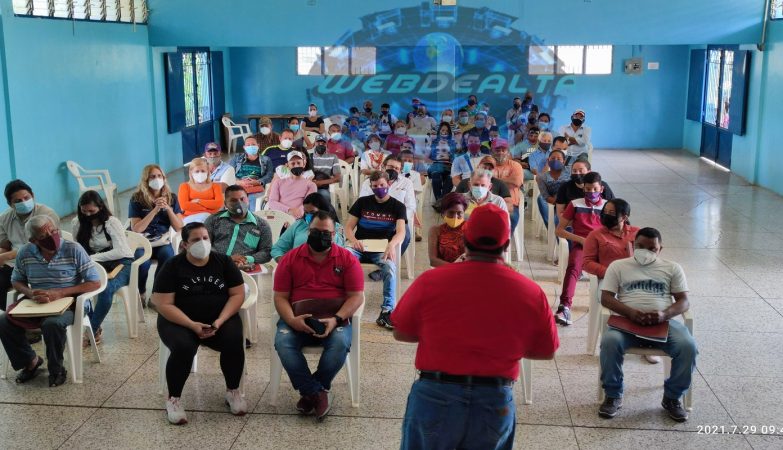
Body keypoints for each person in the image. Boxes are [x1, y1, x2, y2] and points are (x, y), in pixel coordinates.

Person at [393, 204, 559, 450]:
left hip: (435, 395)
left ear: (465, 240)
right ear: (506, 245)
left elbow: (401, 332)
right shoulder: (530, 292)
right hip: (494, 399)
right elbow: (546, 351)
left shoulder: (431, 281)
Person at [599, 227, 697, 422]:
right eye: (640, 246)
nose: (645, 252)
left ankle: (672, 398)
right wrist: (630, 312)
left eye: (652, 248)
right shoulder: (618, 266)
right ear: (633, 245)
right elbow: (606, 298)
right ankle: (613, 394)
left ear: (660, 249)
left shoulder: (672, 268)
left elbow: (684, 301)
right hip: (626, 323)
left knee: (688, 347)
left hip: (662, 323)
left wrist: (664, 314)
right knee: (609, 342)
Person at [272, 211, 364, 421]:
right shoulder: (290, 259)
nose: (320, 236)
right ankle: (317, 393)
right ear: (308, 231)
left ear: (334, 234)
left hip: (334, 318)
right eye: (315, 231)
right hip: (296, 317)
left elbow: (356, 296)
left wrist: (336, 319)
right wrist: (292, 320)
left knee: (340, 343)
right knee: (283, 343)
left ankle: (311, 393)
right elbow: (280, 297)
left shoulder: (347, 259)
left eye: (326, 233)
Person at [153, 222, 247, 424]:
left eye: (205, 238)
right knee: (184, 347)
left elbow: (238, 294)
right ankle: (173, 399)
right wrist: (191, 325)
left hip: (218, 318)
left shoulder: (223, 262)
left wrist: (220, 320)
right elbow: (163, 303)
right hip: (179, 320)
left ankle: (233, 391)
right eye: (196, 239)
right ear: (185, 244)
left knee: (234, 339)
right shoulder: (172, 266)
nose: (202, 243)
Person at [0, 215, 100, 387]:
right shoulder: (25, 252)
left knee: (52, 324)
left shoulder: (73, 249)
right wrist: (30, 292)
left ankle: (57, 369)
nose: (51, 237)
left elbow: (94, 282)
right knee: (3, 321)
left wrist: (60, 293)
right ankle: (30, 361)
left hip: (70, 304)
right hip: (37, 303)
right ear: (33, 240)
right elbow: (16, 281)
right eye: (43, 236)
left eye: (53, 231)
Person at [345, 171, 406, 330]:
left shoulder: (398, 206)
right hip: (360, 246)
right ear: (371, 187)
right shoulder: (362, 202)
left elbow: (401, 232)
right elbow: (348, 227)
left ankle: (387, 310)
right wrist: (353, 241)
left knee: (390, 267)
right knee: (342, 259)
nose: (379, 188)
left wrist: (392, 244)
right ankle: (342, 303)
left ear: (388, 184)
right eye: (375, 186)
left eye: (382, 185)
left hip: (381, 249)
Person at [72, 190, 134, 344]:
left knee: (106, 289)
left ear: (100, 207)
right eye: (84, 211)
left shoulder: (111, 222)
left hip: (121, 262)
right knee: (78, 287)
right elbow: (78, 248)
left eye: (91, 211)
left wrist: (91, 258)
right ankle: (95, 325)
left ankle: (91, 331)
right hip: (95, 262)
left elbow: (121, 251)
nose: (87, 215)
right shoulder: (77, 223)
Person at [555, 172, 607, 326]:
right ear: (583, 188)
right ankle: (564, 307)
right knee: (573, 267)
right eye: (588, 189)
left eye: (595, 189)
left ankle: (610, 305)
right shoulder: (575, 204)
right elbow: (559, 230)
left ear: (601, 189)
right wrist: (581, 240)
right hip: (582, 245)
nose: (591, 192)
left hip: (604, 247)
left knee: (612, 270)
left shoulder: (608, 206)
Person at [0, 180, 60, 310]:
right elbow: (5, 246)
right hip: (14, 265)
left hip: (40, 262)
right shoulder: (4, 218)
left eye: (26, 198)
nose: (23, 202)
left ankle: (26, 314)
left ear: (33, 195)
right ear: (10, 204)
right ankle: (12, 314)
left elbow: (46, 245)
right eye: (18, 201)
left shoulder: (46, 214)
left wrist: (6, 256)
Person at [129, 164, 184, 306]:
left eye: (159, 176)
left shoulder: (171, 198)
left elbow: (179, 227)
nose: (157, 179)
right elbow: (137, 229)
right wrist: (154, 210)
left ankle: (156, 294)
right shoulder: (136, 199)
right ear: (146, 180)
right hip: (142, 242)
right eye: (152, 177)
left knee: (168, 258)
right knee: (143, 263)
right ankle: (141, 291)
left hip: (161, 242)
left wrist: (168, 209)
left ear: (164, 179)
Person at [204, 185, 272, 269]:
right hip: (216, 265)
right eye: (233, 200)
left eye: (242, 199)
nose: (239, 203)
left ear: (248, 200)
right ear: (225, 204)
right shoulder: (213, 220)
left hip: (245, 268)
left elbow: (267, 252)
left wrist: (246, 259)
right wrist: (225, 259)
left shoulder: (261, 225)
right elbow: (204, 244)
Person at [359, 156, 417, 255]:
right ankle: (374, 256)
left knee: (405, 237)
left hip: (398, 219)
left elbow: (411, 207)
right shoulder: (369, 182)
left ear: (400, 170)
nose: (393, 170)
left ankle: (390, 258)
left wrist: (399, 218)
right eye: (390, 167)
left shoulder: (406, 183)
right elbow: (362, 203)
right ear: (383, 166)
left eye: (396, 168)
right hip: (373, 217)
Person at [271, 193, 344, 261]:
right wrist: (286, 263)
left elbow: (339, 253)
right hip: (299, 267)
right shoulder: (299, 225)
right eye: (306, 212)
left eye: (313, 212)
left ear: (323, 211)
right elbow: (277, 249)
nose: (308, 216)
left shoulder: (335, 228)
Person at [266, 151, 317, 219]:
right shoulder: (278, 182)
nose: (296, 166)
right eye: (293, 163)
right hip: (279, 217)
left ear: (304, 164)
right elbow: (272, 202)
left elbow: (308, 204)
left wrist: (295, 216)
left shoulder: (311, 185)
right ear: (287, 165)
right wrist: (289, 211)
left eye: (298, 163)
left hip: (299, 219)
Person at [491, 138, 524, 233]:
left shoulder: (515, 165)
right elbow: (480, 181)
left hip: (510, 203)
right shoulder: (486, 164)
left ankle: (504, 240)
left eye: (503, 150)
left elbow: (517, 182)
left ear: (508, 151)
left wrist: (493, 180)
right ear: (492, 151)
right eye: (497, 150)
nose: (500, 153)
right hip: (488, 202)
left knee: (511, 218)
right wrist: (508, 180)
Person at [428, 192, 468, 267]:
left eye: (459, 213)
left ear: (464, 213)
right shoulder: (436, 231)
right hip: (445, 270)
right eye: (451, 213)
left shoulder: (471, 229)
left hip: (467, 270)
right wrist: (454, 269)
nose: (455, 217)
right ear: (443, 213)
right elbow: (433, 260)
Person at [229, 136, 275, 201]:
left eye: (253, 144)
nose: (251, 146)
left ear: (258, 145)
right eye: (248, 145)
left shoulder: (266, 159)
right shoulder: (237, 157)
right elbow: (229, 172)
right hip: (238, 185)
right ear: (244, 147)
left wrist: (258, 182)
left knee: (253, 200)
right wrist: (238, 182)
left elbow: (269, 175)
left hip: (255, 187)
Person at [537, 150, 571, 228]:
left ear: (564, 161)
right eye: (552, 158)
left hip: (568, 200)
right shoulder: (542, 177)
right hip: (553, 201)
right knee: (540, 198)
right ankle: (550, 227)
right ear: (548, 160)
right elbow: (545, 195)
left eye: (559, 159)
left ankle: (558, 227)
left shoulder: (569, 172)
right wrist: (557, 202)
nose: (555, 160)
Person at [427, 123, 456, 200]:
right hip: (436, 165)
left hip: (449, 166)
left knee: (450, 178)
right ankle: (440, 201)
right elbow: (428, 157)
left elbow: (455, 157)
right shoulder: (434, 142)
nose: (444, 132)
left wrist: (449, 158)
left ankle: (440, 201)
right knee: (436, 175)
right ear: (439, 131)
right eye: (443, 130)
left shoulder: (452, 143)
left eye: (447, 131)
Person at [310, 135, 343, 200]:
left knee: (324, 195)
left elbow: (337, 178)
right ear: (314, 143)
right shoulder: (308, 157)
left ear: (326, 145)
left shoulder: (333, 157)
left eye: (323, 143)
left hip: (324, 188)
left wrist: (319, 183)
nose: (320, 145)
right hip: (309, 187)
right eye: (318, 143)